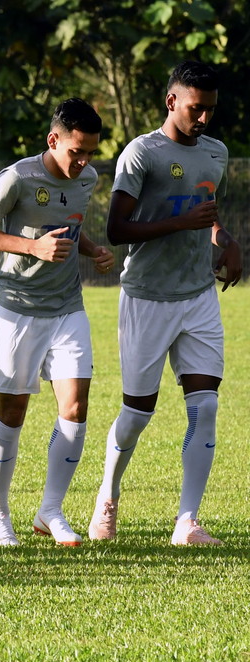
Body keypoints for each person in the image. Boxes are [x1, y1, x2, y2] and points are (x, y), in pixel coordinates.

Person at [88, 60, 241, 546]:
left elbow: (206, 214)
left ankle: (187, 521)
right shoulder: (141, 154)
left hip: (198, 297)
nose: (204, 119)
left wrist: (226, 240)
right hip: (148, 298)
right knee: (137, 413)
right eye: (196, 108)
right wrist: (184, 223)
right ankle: (107, 498)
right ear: (172, 101)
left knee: (207, 407)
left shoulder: (216, 154)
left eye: (211, 110)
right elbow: (116, 231)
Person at [0, 98, 114, 547]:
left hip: (68, 306)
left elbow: (68, 227)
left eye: (91, 152)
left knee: (75, 407)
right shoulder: (19, 176)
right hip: (19, 307)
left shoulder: (86, 177)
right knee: (13, 410)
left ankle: (50, 511)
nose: (84, 161)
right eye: (76, 151)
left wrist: (91, 250)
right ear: (54, 140)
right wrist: (32, 249)